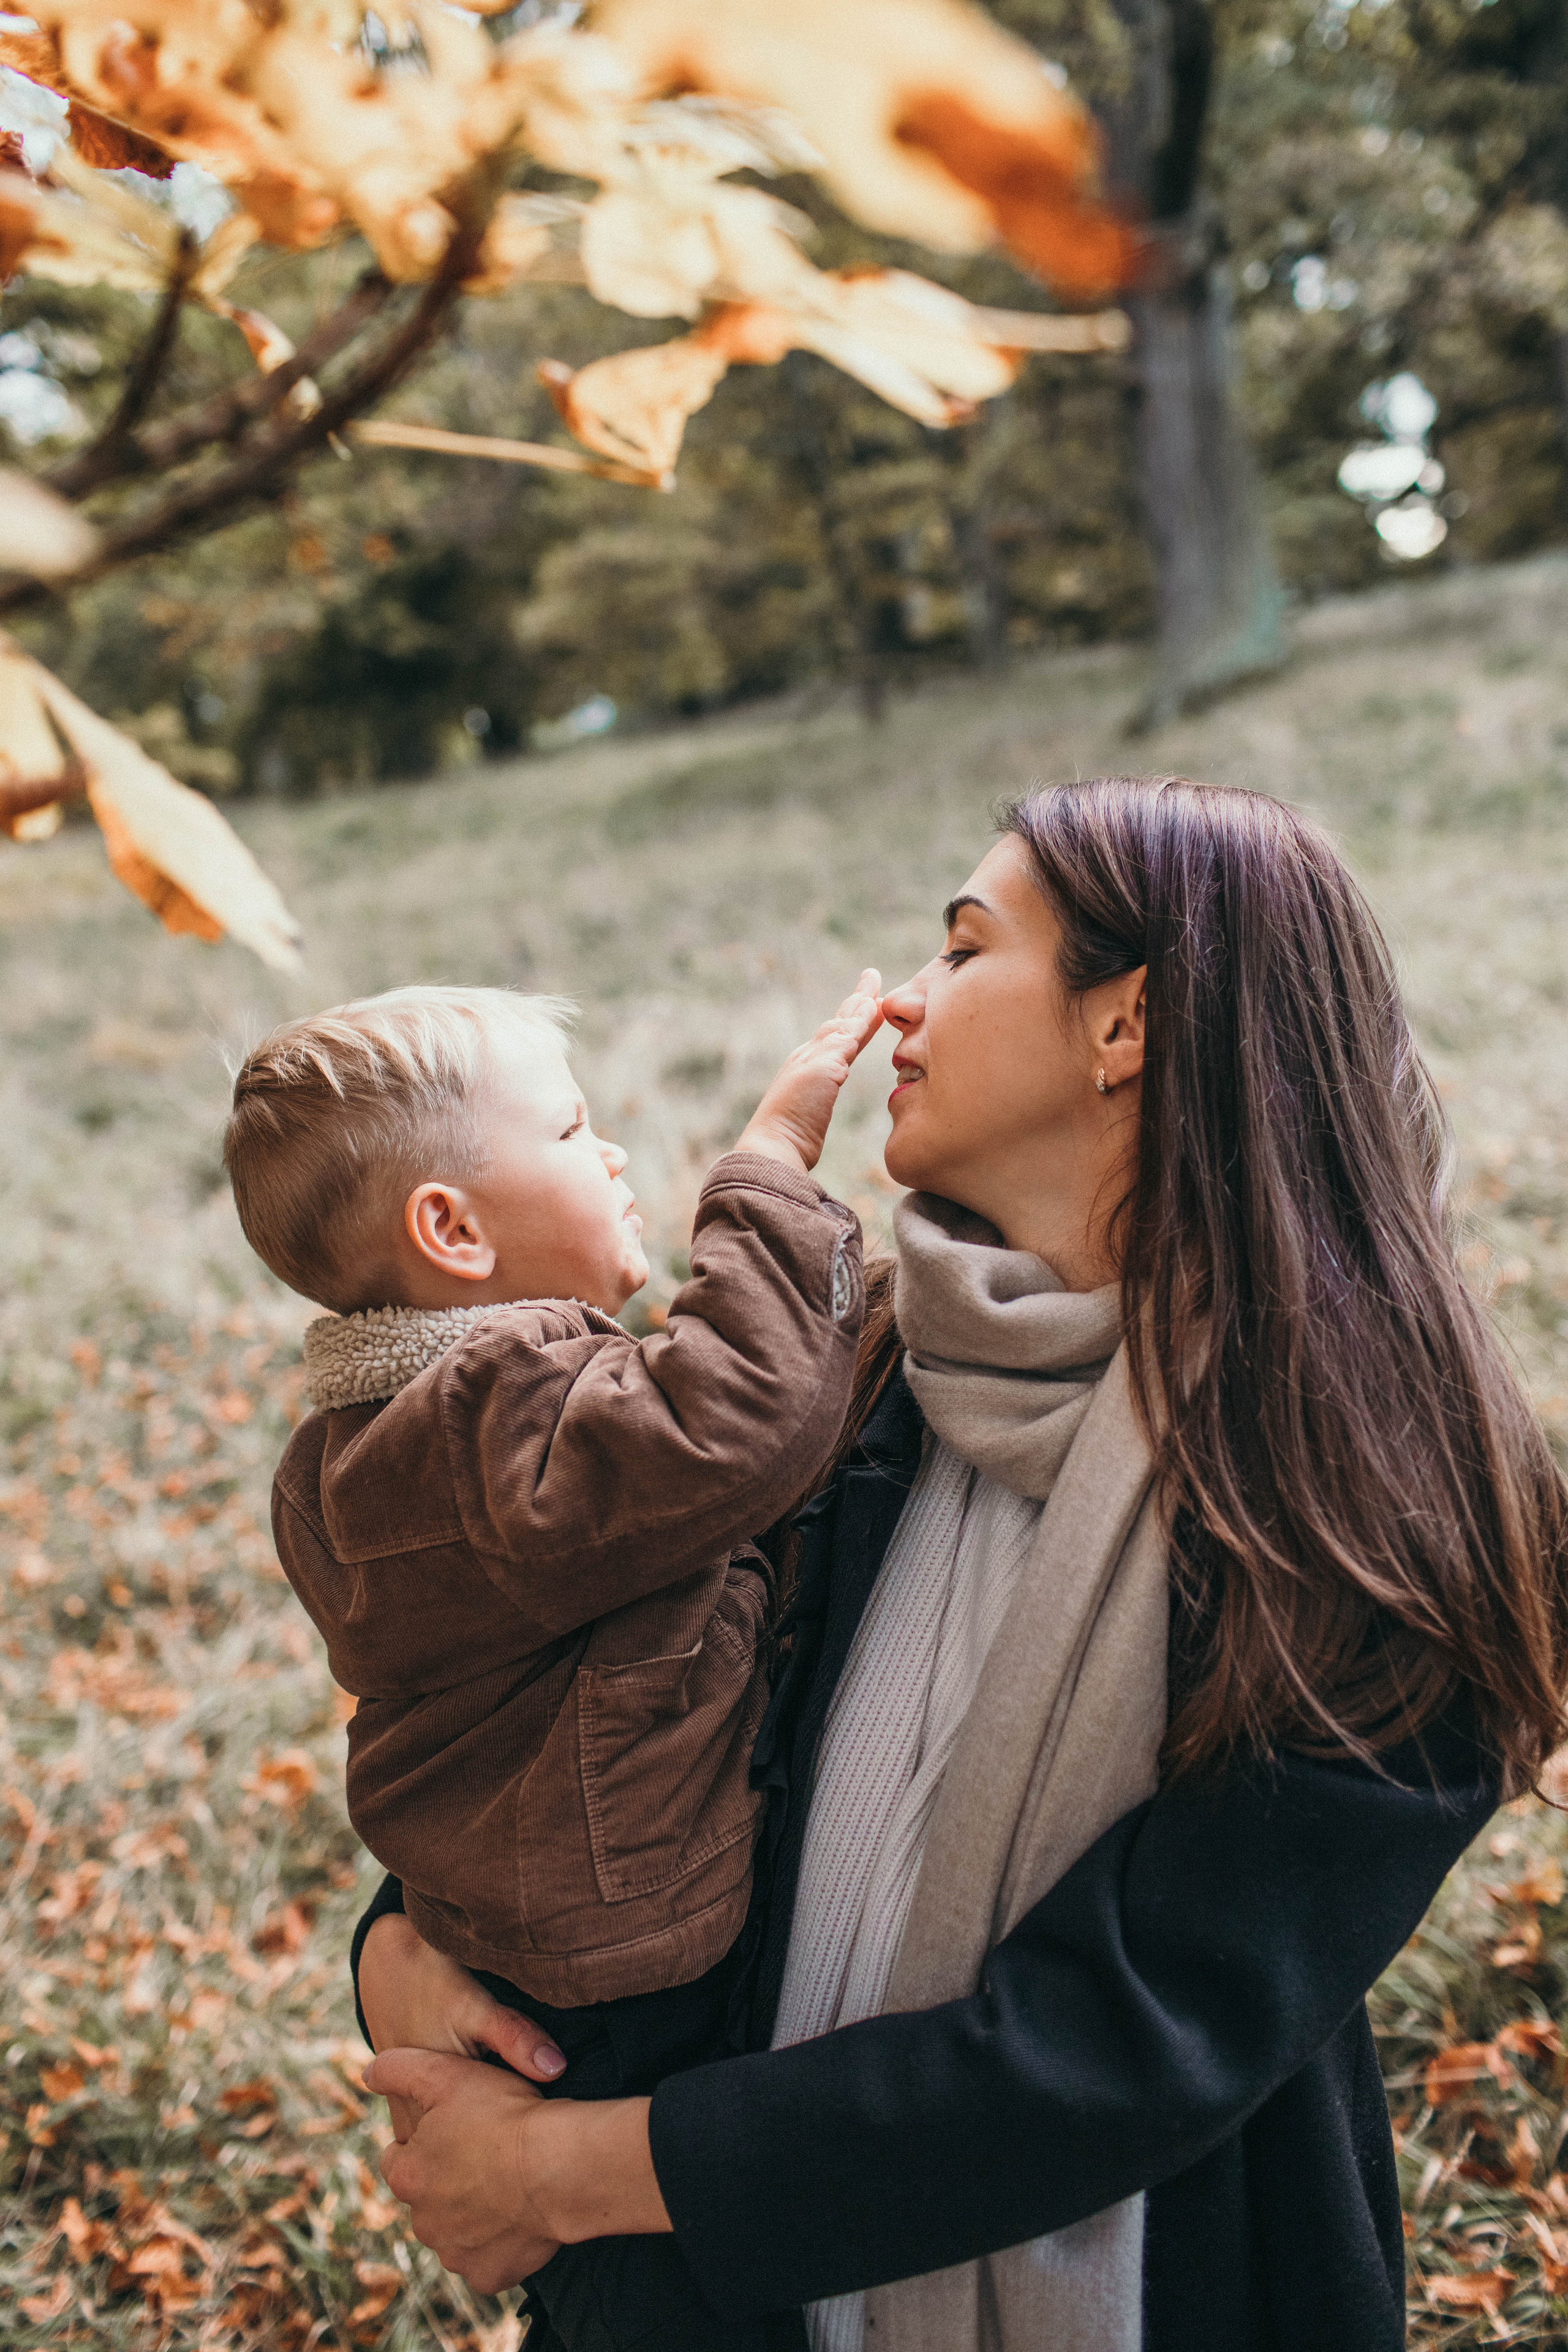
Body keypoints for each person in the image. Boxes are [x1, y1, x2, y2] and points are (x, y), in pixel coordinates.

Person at [355, 780, 1568, 2352]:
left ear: (1122, 1025)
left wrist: (571, 2170)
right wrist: (405, 1949)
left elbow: (1118, 2046)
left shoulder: (1369, 1511)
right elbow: (576, 1718)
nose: (906, 1003)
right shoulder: (839, 1379)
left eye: (966, 948)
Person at [222, 978, 886, 2351]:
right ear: (452, 1232)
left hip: (549, 1948)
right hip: (631, 1979)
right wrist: (765, 1168)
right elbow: (737, 1424)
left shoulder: (365, 1449)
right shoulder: (482, 1434)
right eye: (576, 1134)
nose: (617, 1156)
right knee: (670, 2302)